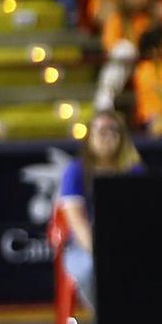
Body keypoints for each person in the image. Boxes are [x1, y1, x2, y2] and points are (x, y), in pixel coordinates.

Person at [56, 109, 143, 308]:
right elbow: (77, 221)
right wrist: (101, 253)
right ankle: (107, 319)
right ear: (89, 136)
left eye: (114, 131)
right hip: (84, 246)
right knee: (90, 270)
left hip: (126, 244)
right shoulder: (75, 171)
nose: (108, 137)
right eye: (102, 131)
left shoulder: (133, 169)